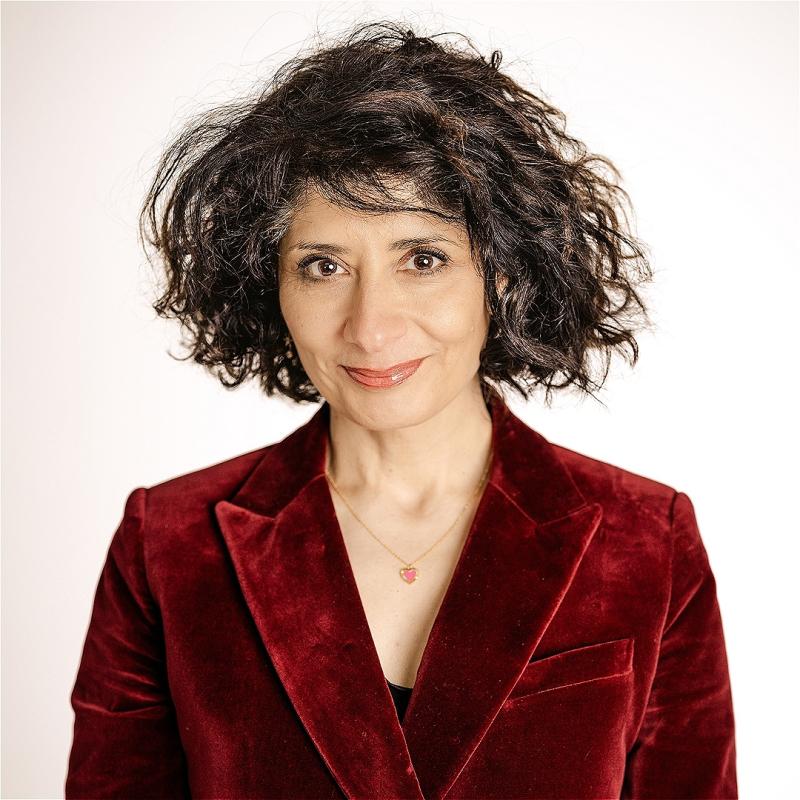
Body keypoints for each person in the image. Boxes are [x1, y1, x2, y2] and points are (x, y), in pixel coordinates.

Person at [65, 20, 737, 799]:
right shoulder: (170, 545)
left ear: (503, 275)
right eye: (323, 266)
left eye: (423, 259)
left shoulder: (646, 541)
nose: (370, 325)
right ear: (271, 287)